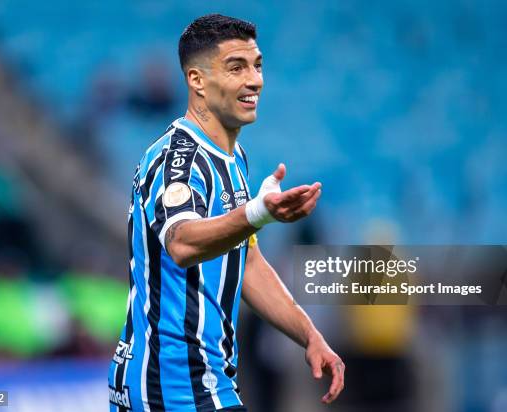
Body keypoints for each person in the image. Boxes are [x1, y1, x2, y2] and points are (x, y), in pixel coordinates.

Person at [108, 14, 345, 412]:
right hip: (168, 387)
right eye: (236, 67)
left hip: (206, 382)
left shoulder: (233, 160)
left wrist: (309, 335)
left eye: (257, 65)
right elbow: (181, 243)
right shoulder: (177, 161)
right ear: (197, 80)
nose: (255, 80)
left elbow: (247, 262)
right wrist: (257, 213)